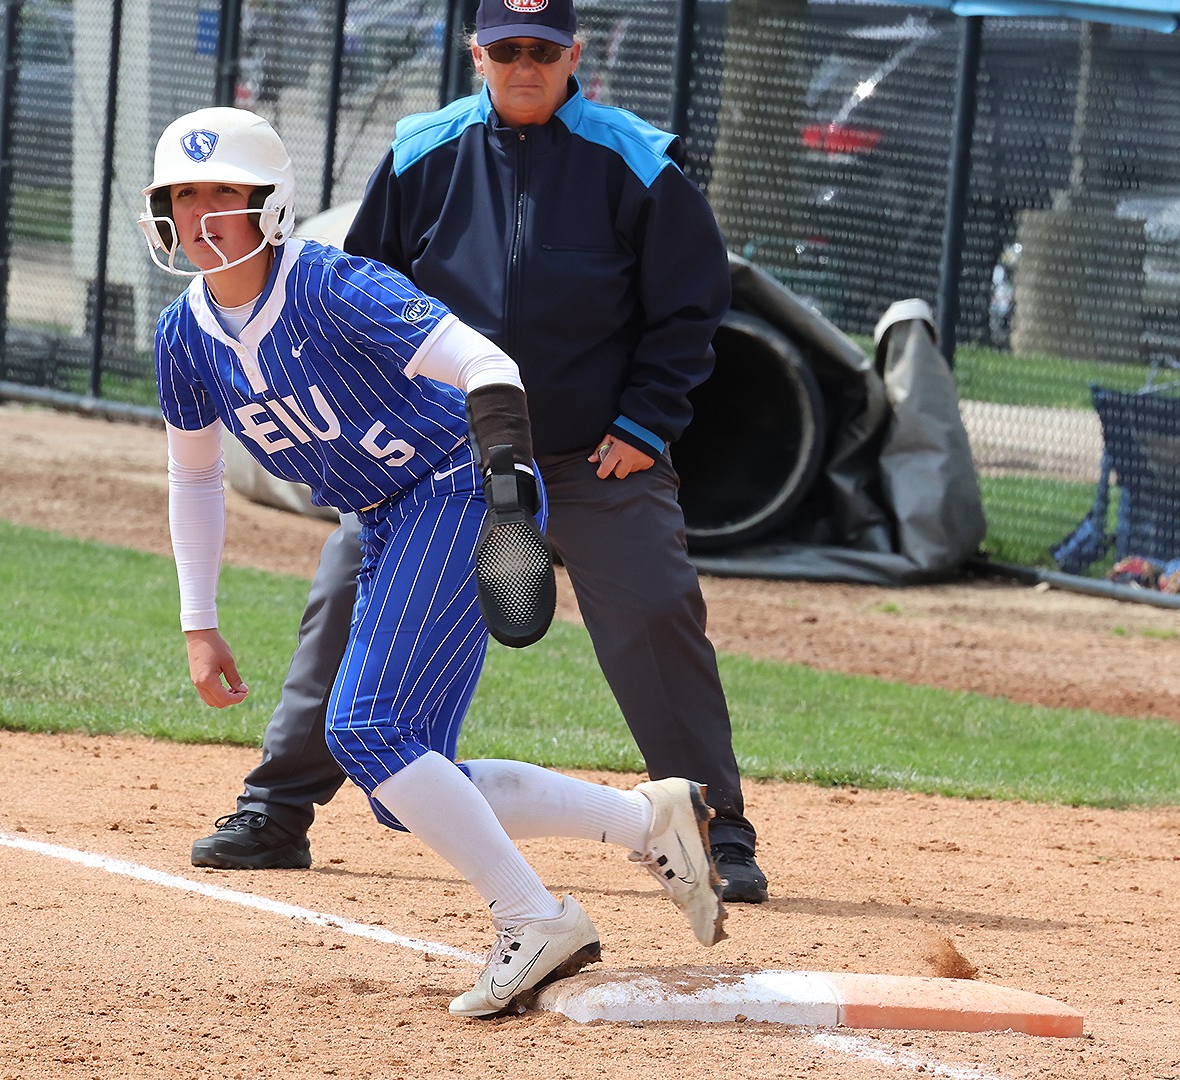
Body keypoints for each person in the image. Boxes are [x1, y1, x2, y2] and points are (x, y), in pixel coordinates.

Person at [141, 105, 727, 1017]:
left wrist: (503, 494)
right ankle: (644, 821)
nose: (202, 212)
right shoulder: (184, 336)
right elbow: (196, 478)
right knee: (403, 781)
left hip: (457, 484)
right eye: (183, 193)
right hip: (385, 514)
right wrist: (198, 619)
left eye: (224, 191)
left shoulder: (332, 285)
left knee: (365, 731)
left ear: (271, 204)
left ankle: (534, 918)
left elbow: (487, 363)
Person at [190, 0, 771, 904]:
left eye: (543, 50)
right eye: (507, 49)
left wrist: (646, 425)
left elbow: (691, 308)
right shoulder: (425, 152)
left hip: (593, 456)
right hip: (439, 464)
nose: (525, 65)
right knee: (343, 604)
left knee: (658, 618)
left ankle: (711, 825)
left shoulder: (637, 162)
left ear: (575, 54)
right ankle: (276, 811)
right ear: (478, 55)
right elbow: (364, 294)